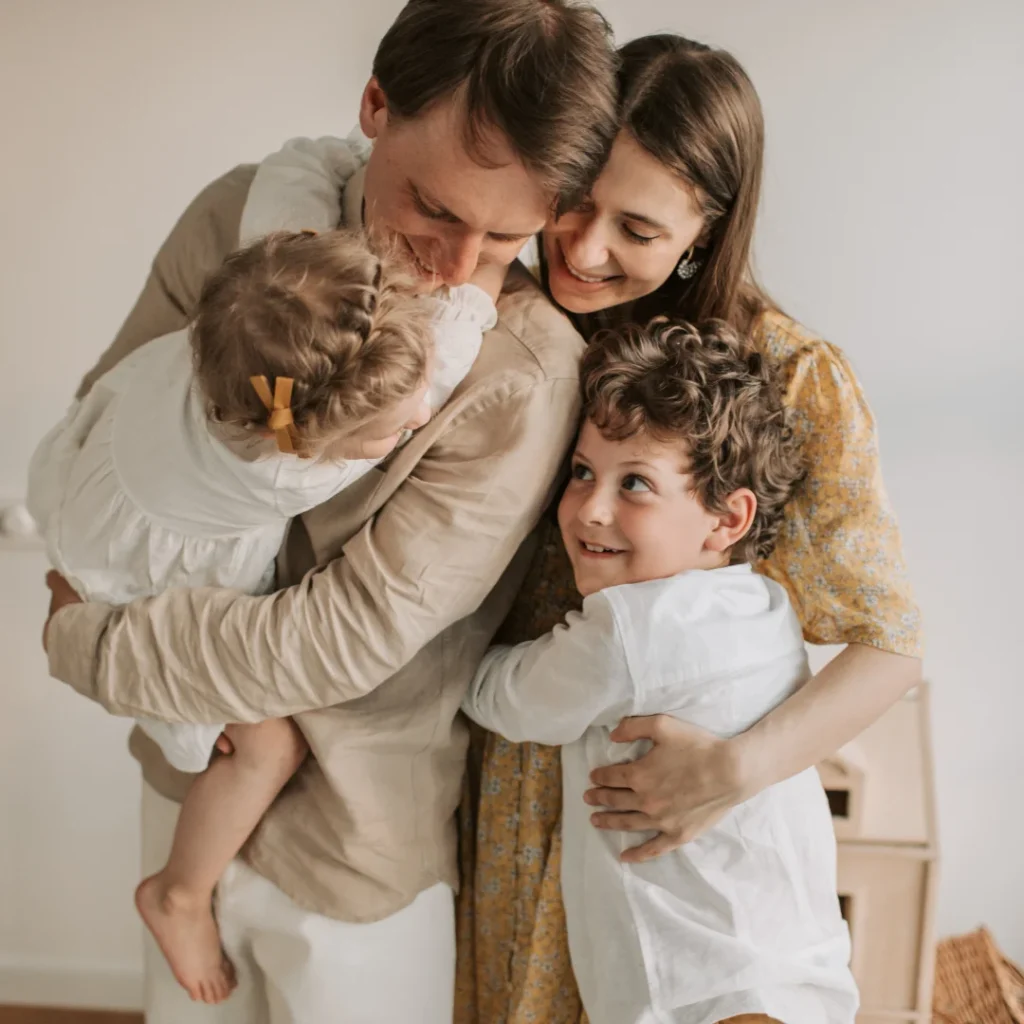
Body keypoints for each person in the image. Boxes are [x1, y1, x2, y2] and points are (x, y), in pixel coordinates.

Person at [38, 2, 619, 1022]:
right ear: (373, 106)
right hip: (187, 791)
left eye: (507, 235)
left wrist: (92, 644)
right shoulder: (234, 219)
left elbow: (347, 636)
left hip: (356, 850)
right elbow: (109, 419)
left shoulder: (523, 371)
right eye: (432, 210)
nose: (455, 265)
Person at [456, 34, 923, 1024]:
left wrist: (730, 771)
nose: (582, 249)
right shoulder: (505, 324)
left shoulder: (790, 381)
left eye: (634, 225)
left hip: (675, 833)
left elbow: (890, 646)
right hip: (509, 807)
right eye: (574, 202)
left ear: (704, 232)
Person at [28, 226, 504, 1004]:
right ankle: (179, 893)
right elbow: (443, 367)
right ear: (309, 445)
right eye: (392, 432)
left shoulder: (219, 346)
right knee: (264, 746)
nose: (418, 419)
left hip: (91, 495)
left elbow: (293, 190)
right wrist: (485, 271)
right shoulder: (280, 472)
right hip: (130, 577)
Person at [462, 317, 859, 1024]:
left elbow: (507, 698)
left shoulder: (632, 630)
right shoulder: (764, 605)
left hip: (697, 987)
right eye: (582, 472)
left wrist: (456, 645)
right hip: (795, 966)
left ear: (724, 519)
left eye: (635, 483)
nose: (592, 508)